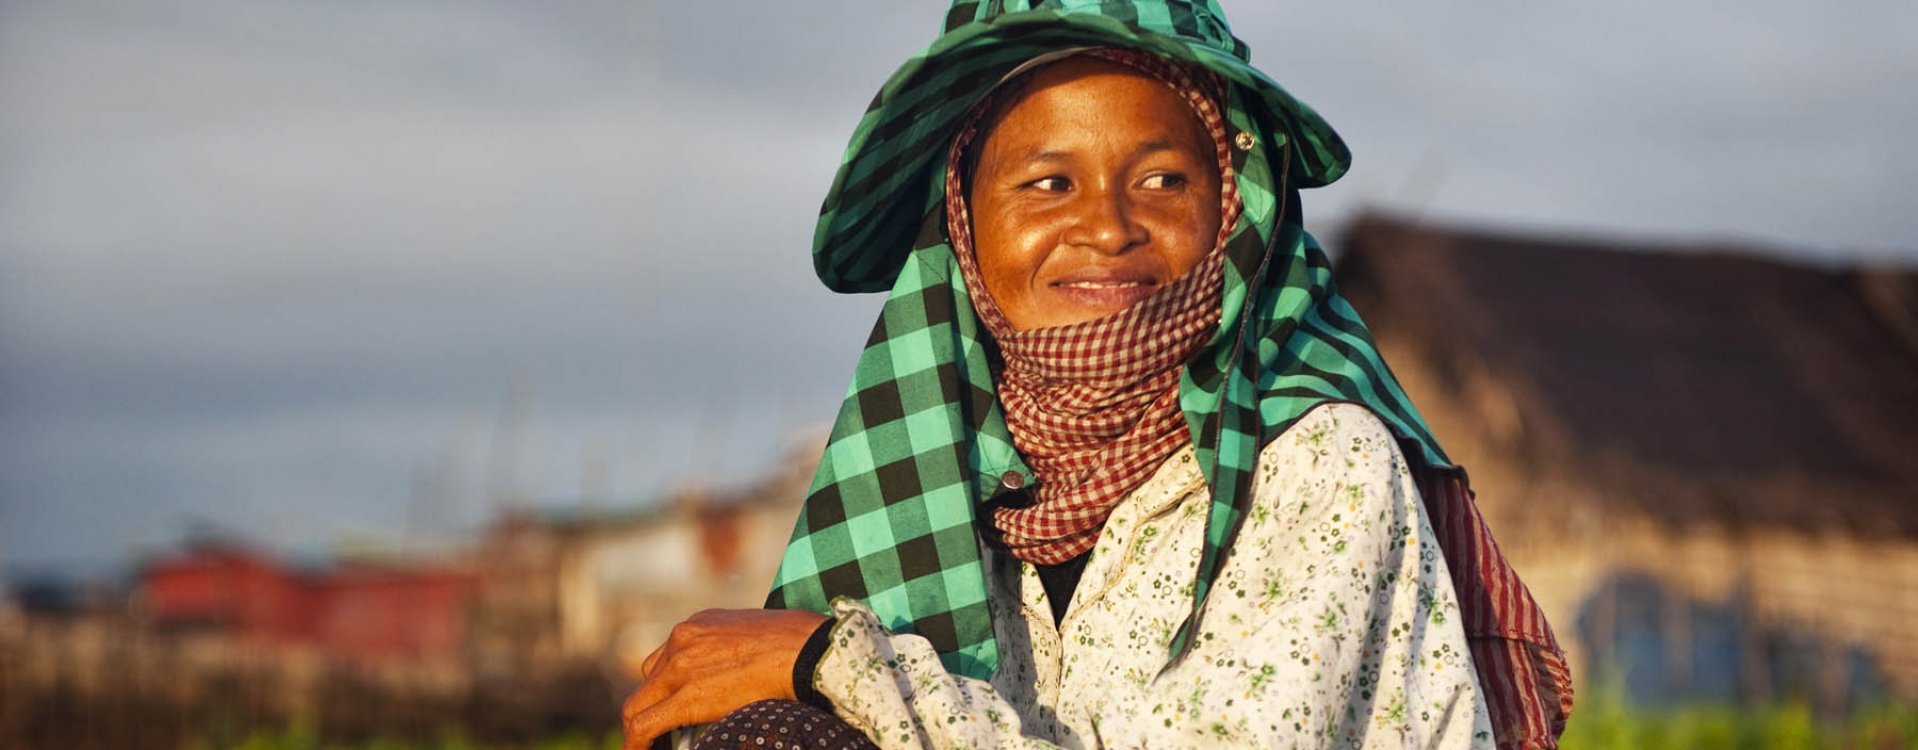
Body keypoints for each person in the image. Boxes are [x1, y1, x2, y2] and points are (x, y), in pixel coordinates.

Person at [622, 3, 1572, 748]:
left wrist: (838, 662)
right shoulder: (947, 482)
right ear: (964, 223)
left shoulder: (1320, 460)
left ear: (1233, 212)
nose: (1109, 227)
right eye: (1047, 183)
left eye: (1163, 180)